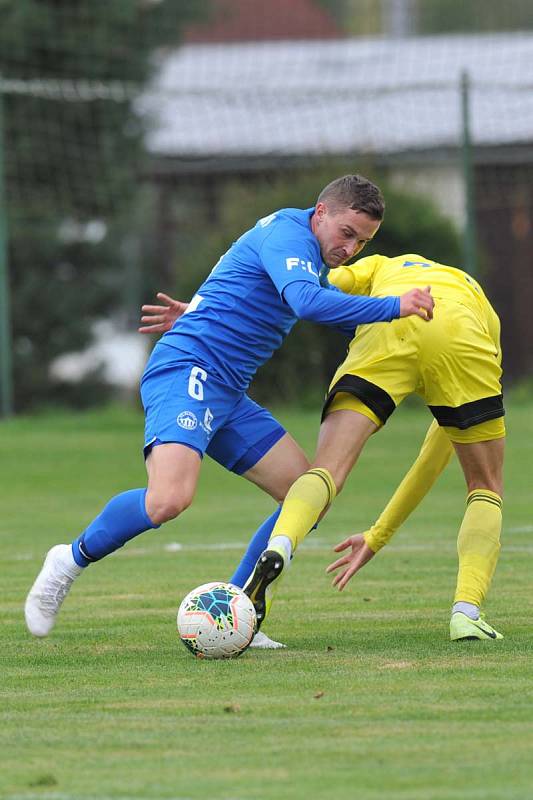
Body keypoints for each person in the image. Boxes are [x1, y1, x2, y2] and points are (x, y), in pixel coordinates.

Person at [24, 175, 434, 638]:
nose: (351, 249)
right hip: (189, 371)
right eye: (347, 233)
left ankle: (238, 610)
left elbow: (272, 289)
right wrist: (392, 306)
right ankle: (68, 560)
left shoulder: (305, 249)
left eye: (362, 241)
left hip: (227, 391)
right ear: (320, 213)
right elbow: (306, 302)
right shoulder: (288, 235)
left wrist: (200, 310)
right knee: (168, 500)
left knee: (307, 499)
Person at [243, 252, 505, 642]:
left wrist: (215, 314)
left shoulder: (383, 265)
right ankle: (466, 611)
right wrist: (378, 535)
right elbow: (433, 456)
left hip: (388, 330)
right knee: (484, 486)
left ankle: (281, 544)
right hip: (461, 334)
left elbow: (316, 289)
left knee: (326, 471)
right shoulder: (477, 299)